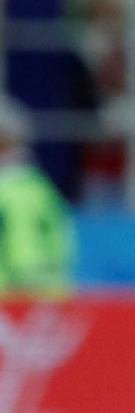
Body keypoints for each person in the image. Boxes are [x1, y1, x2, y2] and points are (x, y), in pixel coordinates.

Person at [0, 96, 70, 295]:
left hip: (20, 304)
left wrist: (23, 306)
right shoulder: (37, 185)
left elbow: (26, 261)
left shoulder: (14, 194)